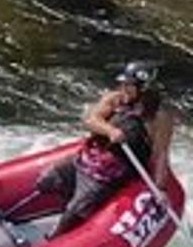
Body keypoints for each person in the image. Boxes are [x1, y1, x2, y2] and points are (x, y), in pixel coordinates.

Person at [33, 61, 177, 235]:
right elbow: (91, 120)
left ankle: (58, 236)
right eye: (124, 84)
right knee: (46, 180)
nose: (123, 88)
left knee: (75, 211)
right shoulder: (115, 99)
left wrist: (160, 188)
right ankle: (71, 199)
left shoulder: (159, 119)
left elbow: (160, 154)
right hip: (88, 161)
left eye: (129, 86)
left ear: (143, 90)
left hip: (109, 176)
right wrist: (110, 130)